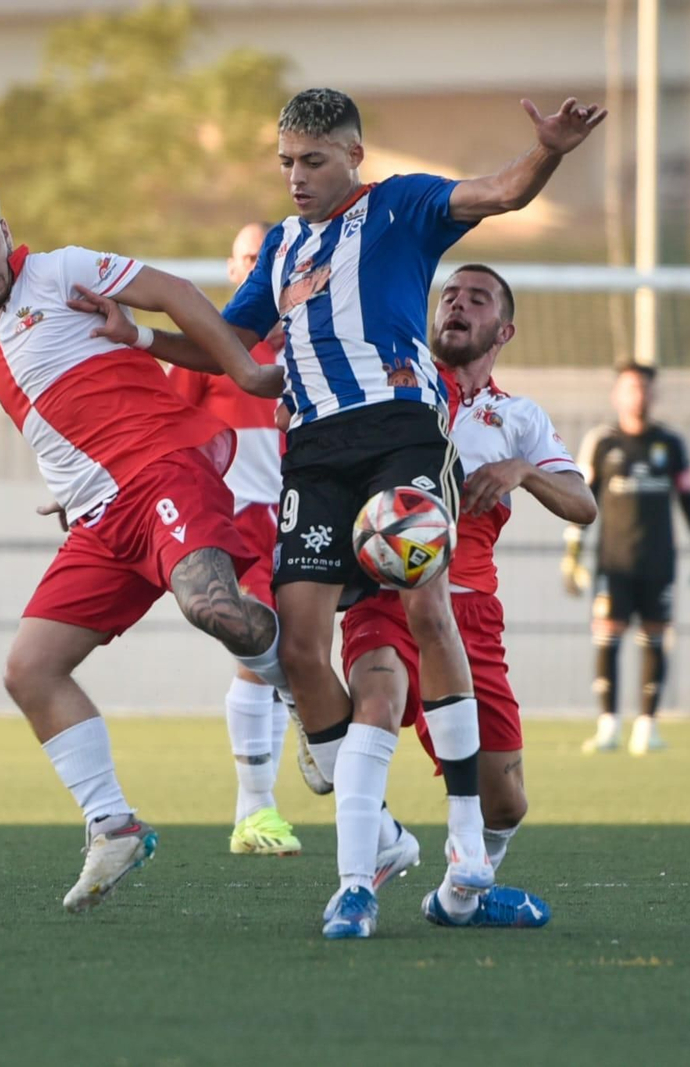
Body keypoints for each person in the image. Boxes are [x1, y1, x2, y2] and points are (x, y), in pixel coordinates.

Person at [72, 88, 605, 939]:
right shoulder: (282, 248)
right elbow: (232, 352)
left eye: (313, 160)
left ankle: (465, 845)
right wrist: (136, 335)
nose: (296, 177)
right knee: (295, 645)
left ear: (355, 156)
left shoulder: (402, 206)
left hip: (399, 432)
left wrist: (548, 151)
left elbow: (502, 192)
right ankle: (375, 841)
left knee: (426, 607)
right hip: (315, 453)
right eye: (286, 161)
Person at [0, 172, 291, 913]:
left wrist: (245, 369)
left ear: (6, 230)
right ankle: (112, 825)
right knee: (29, 669)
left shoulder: (60, 270)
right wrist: (71, 483)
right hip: (99, 514)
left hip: (161, 473)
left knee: (212, 606)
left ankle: (304, 689)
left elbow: (173, 290)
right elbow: (75, 403)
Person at [336, 265, 595, 929]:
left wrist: (524, 470)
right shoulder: (392, 385)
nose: (456, 305)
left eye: (477, 299)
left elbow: (584, 504)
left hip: (471, 611)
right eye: (448, 296)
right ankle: (355, 888)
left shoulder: (519, 417)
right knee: (376, 703)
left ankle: (458, 900)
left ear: (503, 331)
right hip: (387, 593)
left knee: (506, 801)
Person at [166, 221, 307, 857]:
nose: (256, 271)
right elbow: (162, 422)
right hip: (237, 521)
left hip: (301, 518)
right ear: (231, 270)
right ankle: (255, 810)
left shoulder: (311, 347)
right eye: (248, 259)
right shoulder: (208, 348)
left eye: (266, 261)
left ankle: (260, 807)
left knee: (290, 655)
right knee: (257, 647)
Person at [564, 363, 690, 755]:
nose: (638, 395)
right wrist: (573, 550)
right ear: (617, 395)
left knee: (655, 639)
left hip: (658, 561)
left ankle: (647, 726)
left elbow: (688, 497)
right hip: (614, 561)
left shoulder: (671, 444)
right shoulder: (602, 442)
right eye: (631, 388)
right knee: (608, 638)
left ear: (653, 394)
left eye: (644, 388)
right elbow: (581, 497)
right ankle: (608, 726)